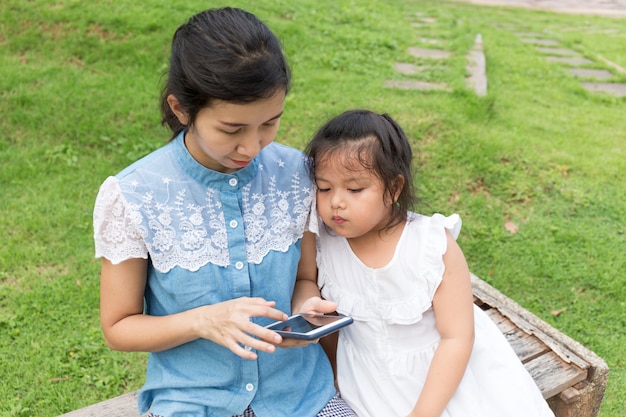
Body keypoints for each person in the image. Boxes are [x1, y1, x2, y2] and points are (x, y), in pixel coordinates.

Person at [93, 8, 357, 417]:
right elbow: (118, 326)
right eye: (232, 130)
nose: (252, 148)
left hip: (302, 397)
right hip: (192, 402)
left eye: (270, 124)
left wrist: (305, 309)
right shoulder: (133, 195)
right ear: (181, 110)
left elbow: (304, 279)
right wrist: (203, 321)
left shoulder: (295, 175)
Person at [305, 109, 556, 417]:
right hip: (369, 379)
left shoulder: (430, 246)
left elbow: (457, 337)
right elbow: (328, 323)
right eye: (324, 187)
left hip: (444, 377)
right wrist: (334, 378)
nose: (336, 202)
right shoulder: (325, 241)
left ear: (394, 189)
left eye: (355, 189)